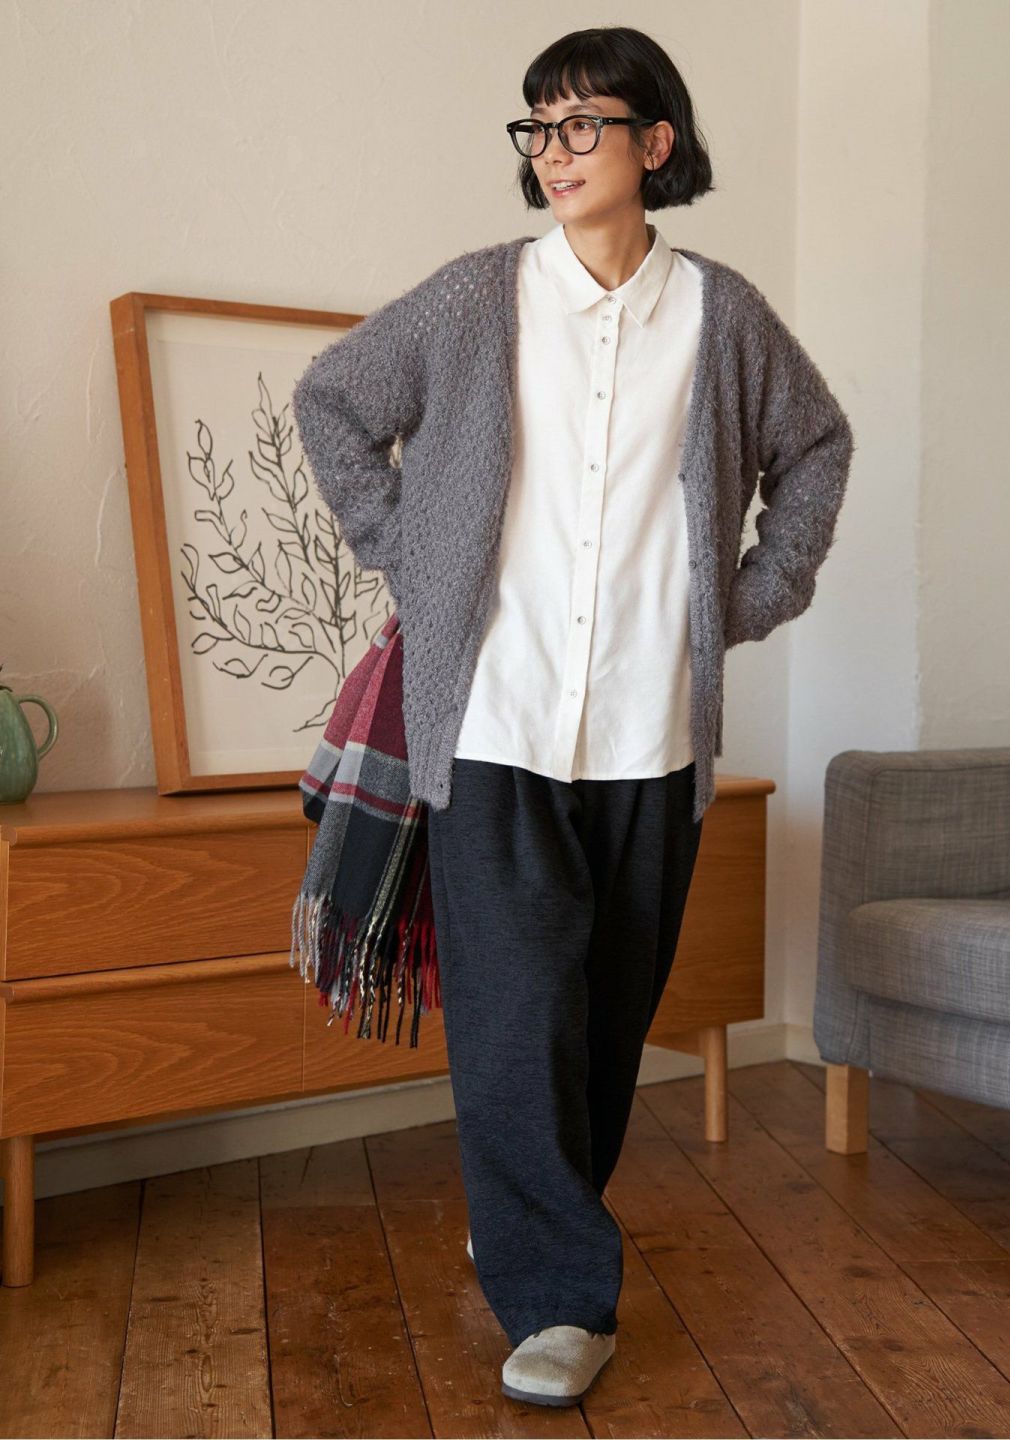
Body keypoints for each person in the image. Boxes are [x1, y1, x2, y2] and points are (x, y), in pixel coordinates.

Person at [291, 23, 855, 1410]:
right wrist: (412, 554)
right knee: (515, 1015)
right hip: (495, 723)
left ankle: (527, 1218)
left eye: (581, 124)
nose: (553, 152)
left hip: (654, 730)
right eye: (536, 128)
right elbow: (334, 401)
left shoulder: (721, 318)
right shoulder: (478, 299)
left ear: (655, 144)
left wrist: (753, 594)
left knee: (605, 1017)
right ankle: (557, 1299)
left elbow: (818, 446)